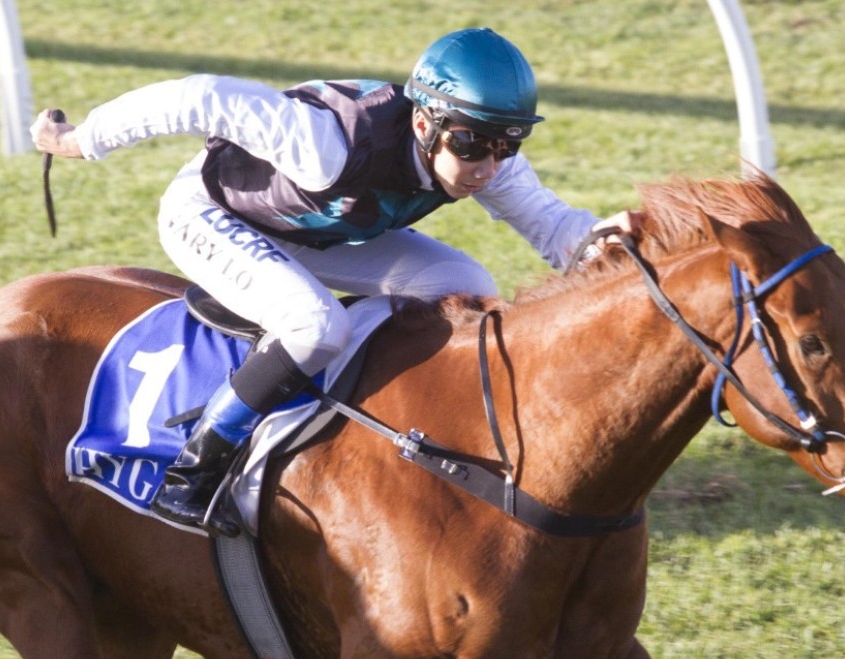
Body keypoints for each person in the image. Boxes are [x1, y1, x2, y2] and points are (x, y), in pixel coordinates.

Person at [32, 27, 639, 528]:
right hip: (210, 214)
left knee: (464, 285)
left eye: (507, 146)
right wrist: (79, 140)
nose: (487, 166)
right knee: (314, 325)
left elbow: (554, 227)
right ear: (424, 124)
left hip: (316, 231)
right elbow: (197, 97)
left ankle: (377, 411)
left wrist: (606, 247)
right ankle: (194, 467)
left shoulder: (486, 159)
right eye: (470, 144)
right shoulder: (327, 143)